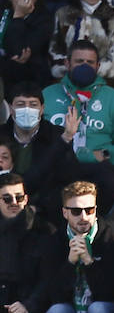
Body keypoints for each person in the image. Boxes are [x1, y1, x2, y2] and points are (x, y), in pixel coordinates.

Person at [41, 41, 114, 215]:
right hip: (57, 166)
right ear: (67, 63)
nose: (84, 66)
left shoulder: (113, 98)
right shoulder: (47, 95)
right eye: (79, 61)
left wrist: (106, 154)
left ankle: (93, 226)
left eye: (90, 62)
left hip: (94, 168)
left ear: (98, 66)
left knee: (110, 179)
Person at [41, 181, 114, 313]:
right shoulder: (54, 241)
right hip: (71, 307)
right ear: (65, 213)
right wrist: (70, 263)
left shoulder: (112, 240)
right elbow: (53, 295)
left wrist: (89, 262)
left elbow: (112, 292)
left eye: (90, 210)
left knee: (97, 310)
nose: (84, 216)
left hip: (106, 306)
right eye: (76, 211)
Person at [7, 82, 81, 222]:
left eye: (33, 105)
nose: (27, 109)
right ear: (11, 109)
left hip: (48, 214)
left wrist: (39, 208)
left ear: (42, 109)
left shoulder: (57, 136)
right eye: (21, 104)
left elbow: (69, 181)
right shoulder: (2, 137)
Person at [0, 171, 52, 313]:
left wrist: (28, 305)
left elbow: (49, 278)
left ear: (26, 199)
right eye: (7, 199)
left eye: (19, 197)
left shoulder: (43, 231)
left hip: (32, 306)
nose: (14, 203)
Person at [1, 0, 53, 87]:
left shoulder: (44, 19)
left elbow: (19, 53)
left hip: (33, 78)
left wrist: (18, 16)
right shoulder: (3, 14)